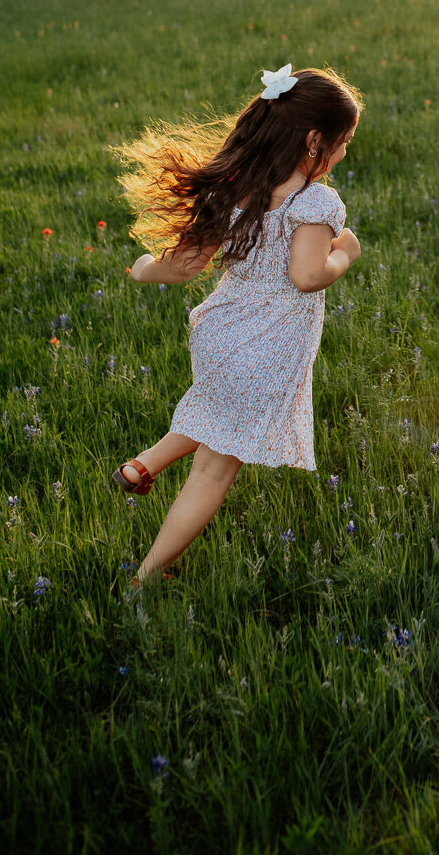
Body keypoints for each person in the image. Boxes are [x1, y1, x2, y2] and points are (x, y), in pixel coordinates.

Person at [110, 64, 362, 586]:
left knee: (217, 410)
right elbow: (307, 275)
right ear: (315, 141)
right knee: (213, 468)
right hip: (267, 348)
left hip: (221, 336)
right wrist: (346, 254)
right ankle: (146, 578)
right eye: (343, 143)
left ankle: (141, 466)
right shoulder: (314, 202)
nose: (343, 154)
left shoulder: (235, 189)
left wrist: (143, 268)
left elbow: (182, 268)